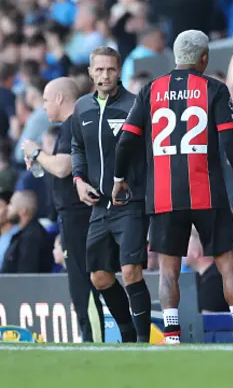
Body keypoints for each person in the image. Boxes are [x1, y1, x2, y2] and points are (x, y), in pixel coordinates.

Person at [112, 30, 233, 346]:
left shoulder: (150, 90)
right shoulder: (214, 89)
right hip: (207, 191)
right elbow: (230, 140)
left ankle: (173, 337)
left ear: (176, 57)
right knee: (227, 262)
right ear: (203, 57)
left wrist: (118, 178)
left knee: (168, 269)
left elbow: (126, 140)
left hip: (164, 194)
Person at [71, 46, 151, 343]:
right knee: (100, 277)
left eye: (111, 69)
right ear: (91, 72)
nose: (105, 75)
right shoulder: (82, 108)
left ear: (120, 72)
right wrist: (79, 180)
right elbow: (77, 147)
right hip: (99, 207)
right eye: (99, 70)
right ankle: (128, 333)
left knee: (130, 271)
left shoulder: (135, 105)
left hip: (130, 205)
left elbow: (148, 153)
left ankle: (143, 342)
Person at [20, 77, 104, 342]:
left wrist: (37, 154)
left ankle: (94, 340)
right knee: (82, 282)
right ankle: (92, 336)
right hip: (74, 215)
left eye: (45, 100)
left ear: (59, 98)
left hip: (79, 215)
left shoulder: (72, 125)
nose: (43, 107)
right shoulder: (73, 125)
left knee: (83, 282)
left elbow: (63, 167)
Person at [0, 191, 53, 273]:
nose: (8, 208)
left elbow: (26, 276)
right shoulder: (25, 234)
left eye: (11, 204)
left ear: (23, 211)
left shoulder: (31, 238)